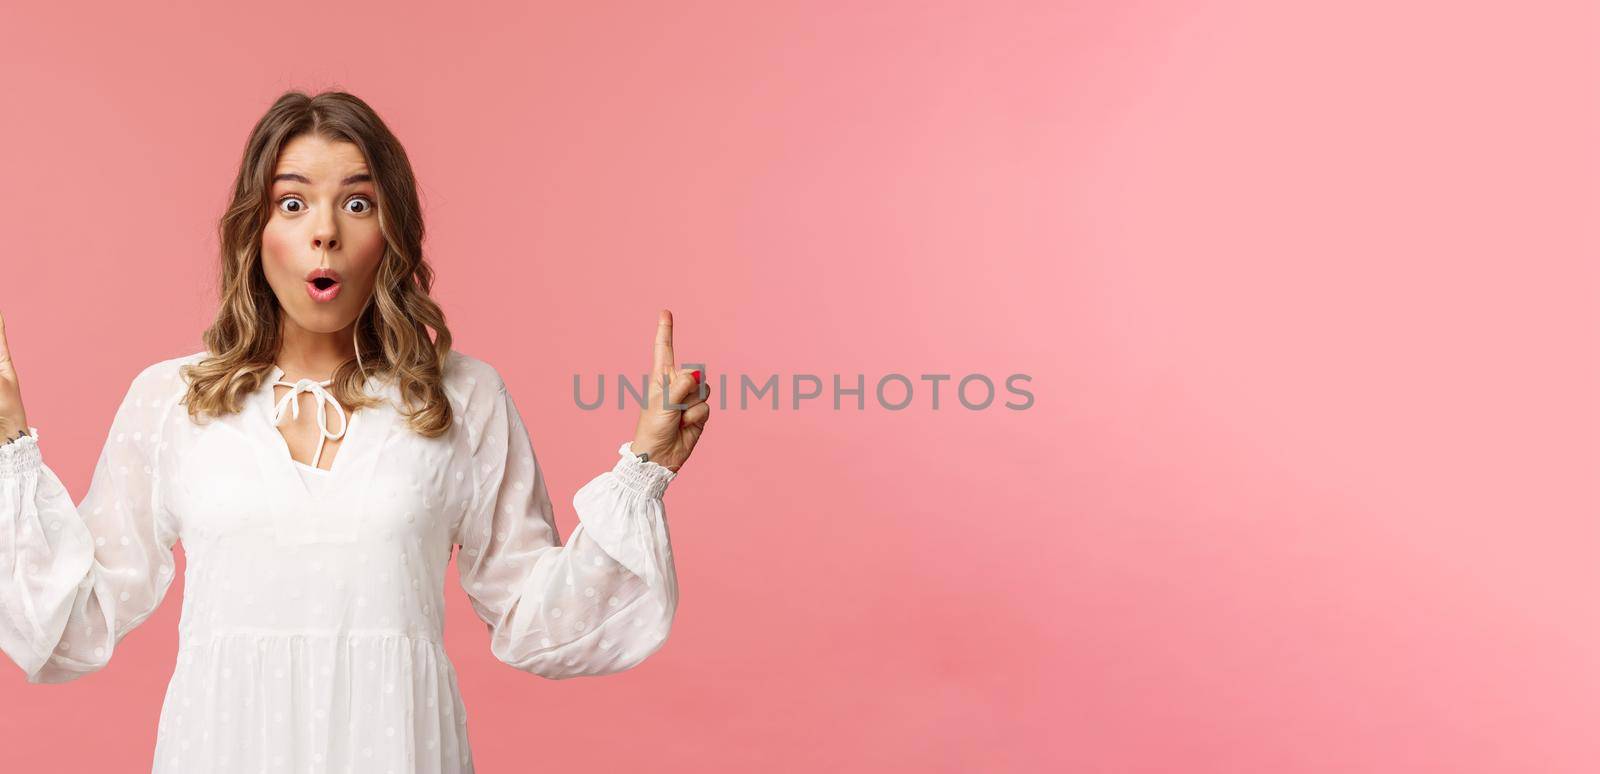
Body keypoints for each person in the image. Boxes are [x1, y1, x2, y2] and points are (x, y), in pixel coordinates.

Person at [0, 90, 710, 773]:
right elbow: (73, 622)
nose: (325, 231)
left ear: (390, 232)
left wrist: (642, 469)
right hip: (223, 748)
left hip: (398, 749)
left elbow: (539, 619)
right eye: (292, 201)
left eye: (358, 203)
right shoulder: (171, 400)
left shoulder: (464, 396)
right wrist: (9, 446)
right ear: (256, 230)